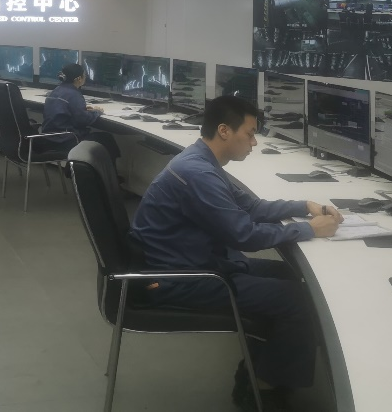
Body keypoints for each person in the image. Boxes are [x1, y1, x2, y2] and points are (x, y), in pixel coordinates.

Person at [130, 95, 343, 411]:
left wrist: (305, 206)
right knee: (296, 299)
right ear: (224, 131)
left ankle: (260, 366)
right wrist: (310, 229)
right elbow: (244, 235)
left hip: (194, 262)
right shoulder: (199, 173)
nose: (254, 142)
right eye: (250, 133)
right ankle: (262, 390)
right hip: (180, 278)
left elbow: (251, 207)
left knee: (289, 275)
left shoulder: (201, 161)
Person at [41, 63, 121, 159]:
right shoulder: (74, 95)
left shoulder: (55, 91)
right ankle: (108, 168)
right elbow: (83, 120)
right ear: (79, 79)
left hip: (48, 138)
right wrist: (97, 112)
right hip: (65, 139)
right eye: (84, 75)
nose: (85, 78)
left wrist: (83, 110)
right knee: (106, 138)